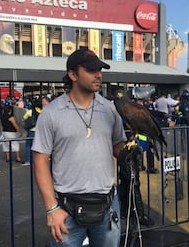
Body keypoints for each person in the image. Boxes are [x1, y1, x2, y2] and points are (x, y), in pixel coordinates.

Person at [32, 48, 127, 246]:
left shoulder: (110, 108)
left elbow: (118, 145)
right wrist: (51, 209)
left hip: (108, 204)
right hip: (66, 208)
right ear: (73, 75)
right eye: (91, 70)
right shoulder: (51, 113)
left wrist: (128, 153)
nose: (98, 75)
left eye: (100, 70)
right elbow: (40, 160)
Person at [177, 89, 189, 157]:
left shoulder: (182, 103)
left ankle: (185, 152)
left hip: (184, 123)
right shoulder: (186, 104)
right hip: (186, 124)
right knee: (188, 139)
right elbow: (187, 116)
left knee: (185, 138)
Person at [22, 98, 41, 166]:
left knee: (28, 146)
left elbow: (24, 118)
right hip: (40, 132)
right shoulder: (43, 111)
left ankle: (28, 160)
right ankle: (39, 160)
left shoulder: (30, 111)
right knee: (39, 146)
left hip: (31, 131)